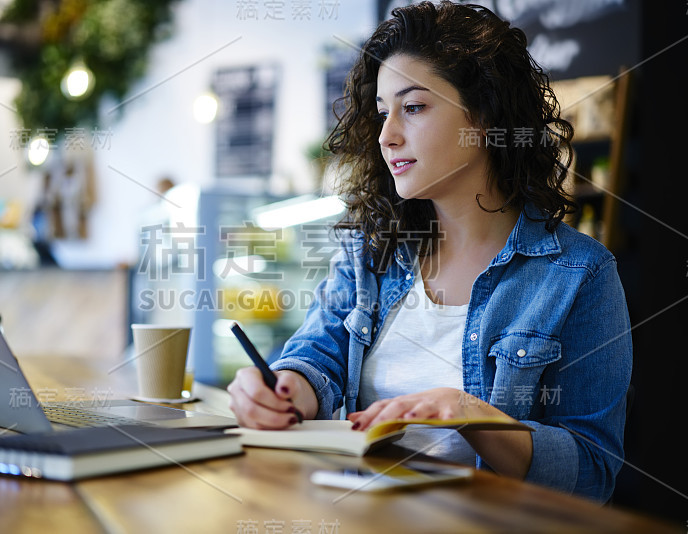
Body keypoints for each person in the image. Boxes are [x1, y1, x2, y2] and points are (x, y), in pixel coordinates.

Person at [227, 1, 632, 503]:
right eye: (381, 113)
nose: (387, 135)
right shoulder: (370, 253)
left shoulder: (579, 275)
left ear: (483, 117)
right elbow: (318, 359)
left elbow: (593, 473)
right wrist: (279, 389)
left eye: (412, 107)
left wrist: (473, 416)